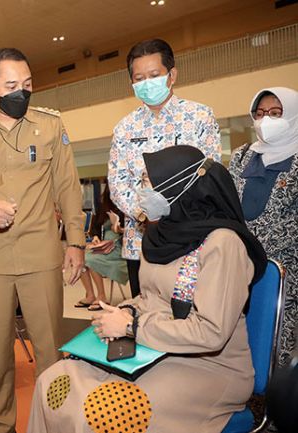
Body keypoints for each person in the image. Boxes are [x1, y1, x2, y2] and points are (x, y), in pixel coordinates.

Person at [28, 145, 267, 433]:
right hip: (155, 348)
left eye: (147, 182)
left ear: (177, 188)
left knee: (100, 412)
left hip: (209, 367)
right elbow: (150, 297)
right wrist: (124, 310)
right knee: (52, 380)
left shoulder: (223, 244)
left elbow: (211, 333)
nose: (142, 191)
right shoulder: (158, 235)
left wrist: (133, 327)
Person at [0, 47, 85, 433]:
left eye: (27, 85)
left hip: (40, 254)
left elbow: (68, 187)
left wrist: (75, 242)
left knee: (49, 352)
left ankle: (55, 424)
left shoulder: (50, 126)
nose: (21, 93)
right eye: (11, 86)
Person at [108, 38, 222, 299]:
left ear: (172, 75)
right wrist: (145, 214)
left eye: (154, 75)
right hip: (141, 243)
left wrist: (171, 214)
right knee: (144, 321)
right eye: (139, 78)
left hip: (191, 241)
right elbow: (118, 183)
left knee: (186, 322)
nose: (146, 83)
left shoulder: (200, 117)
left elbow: (209, 174)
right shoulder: (125, 128)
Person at [229, 86, 298, 367]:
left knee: (278, 338)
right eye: (259, 114)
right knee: (241, 333)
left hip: (286, 267)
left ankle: (276, 402)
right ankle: (245, 394)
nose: (265, 120)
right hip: (242, 262)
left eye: (275, 113)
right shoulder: (242, 155)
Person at [75, 184, 127, 311]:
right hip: (105, 246)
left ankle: (102, 296)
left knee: (91, 260)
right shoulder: (103, 208)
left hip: (120, 248)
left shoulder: (126, 207)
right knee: (81, 258)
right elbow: (95, 228)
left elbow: (134, 232)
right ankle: (90, 295)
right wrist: (95, 237)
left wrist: (120, 230)